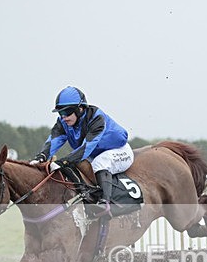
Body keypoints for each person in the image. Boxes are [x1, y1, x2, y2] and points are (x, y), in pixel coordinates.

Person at [31, 86, 134, 215]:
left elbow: (86, 148)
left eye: (67, 112)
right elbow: (53, 141)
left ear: (80, 109)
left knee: (100, 163)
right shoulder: (63, 123)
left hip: (119, 151)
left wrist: (64, 161)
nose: (64, 117)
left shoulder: (97, 118)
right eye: (60, 113)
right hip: (94, 154)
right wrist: (41, 157)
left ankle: (105, 204)